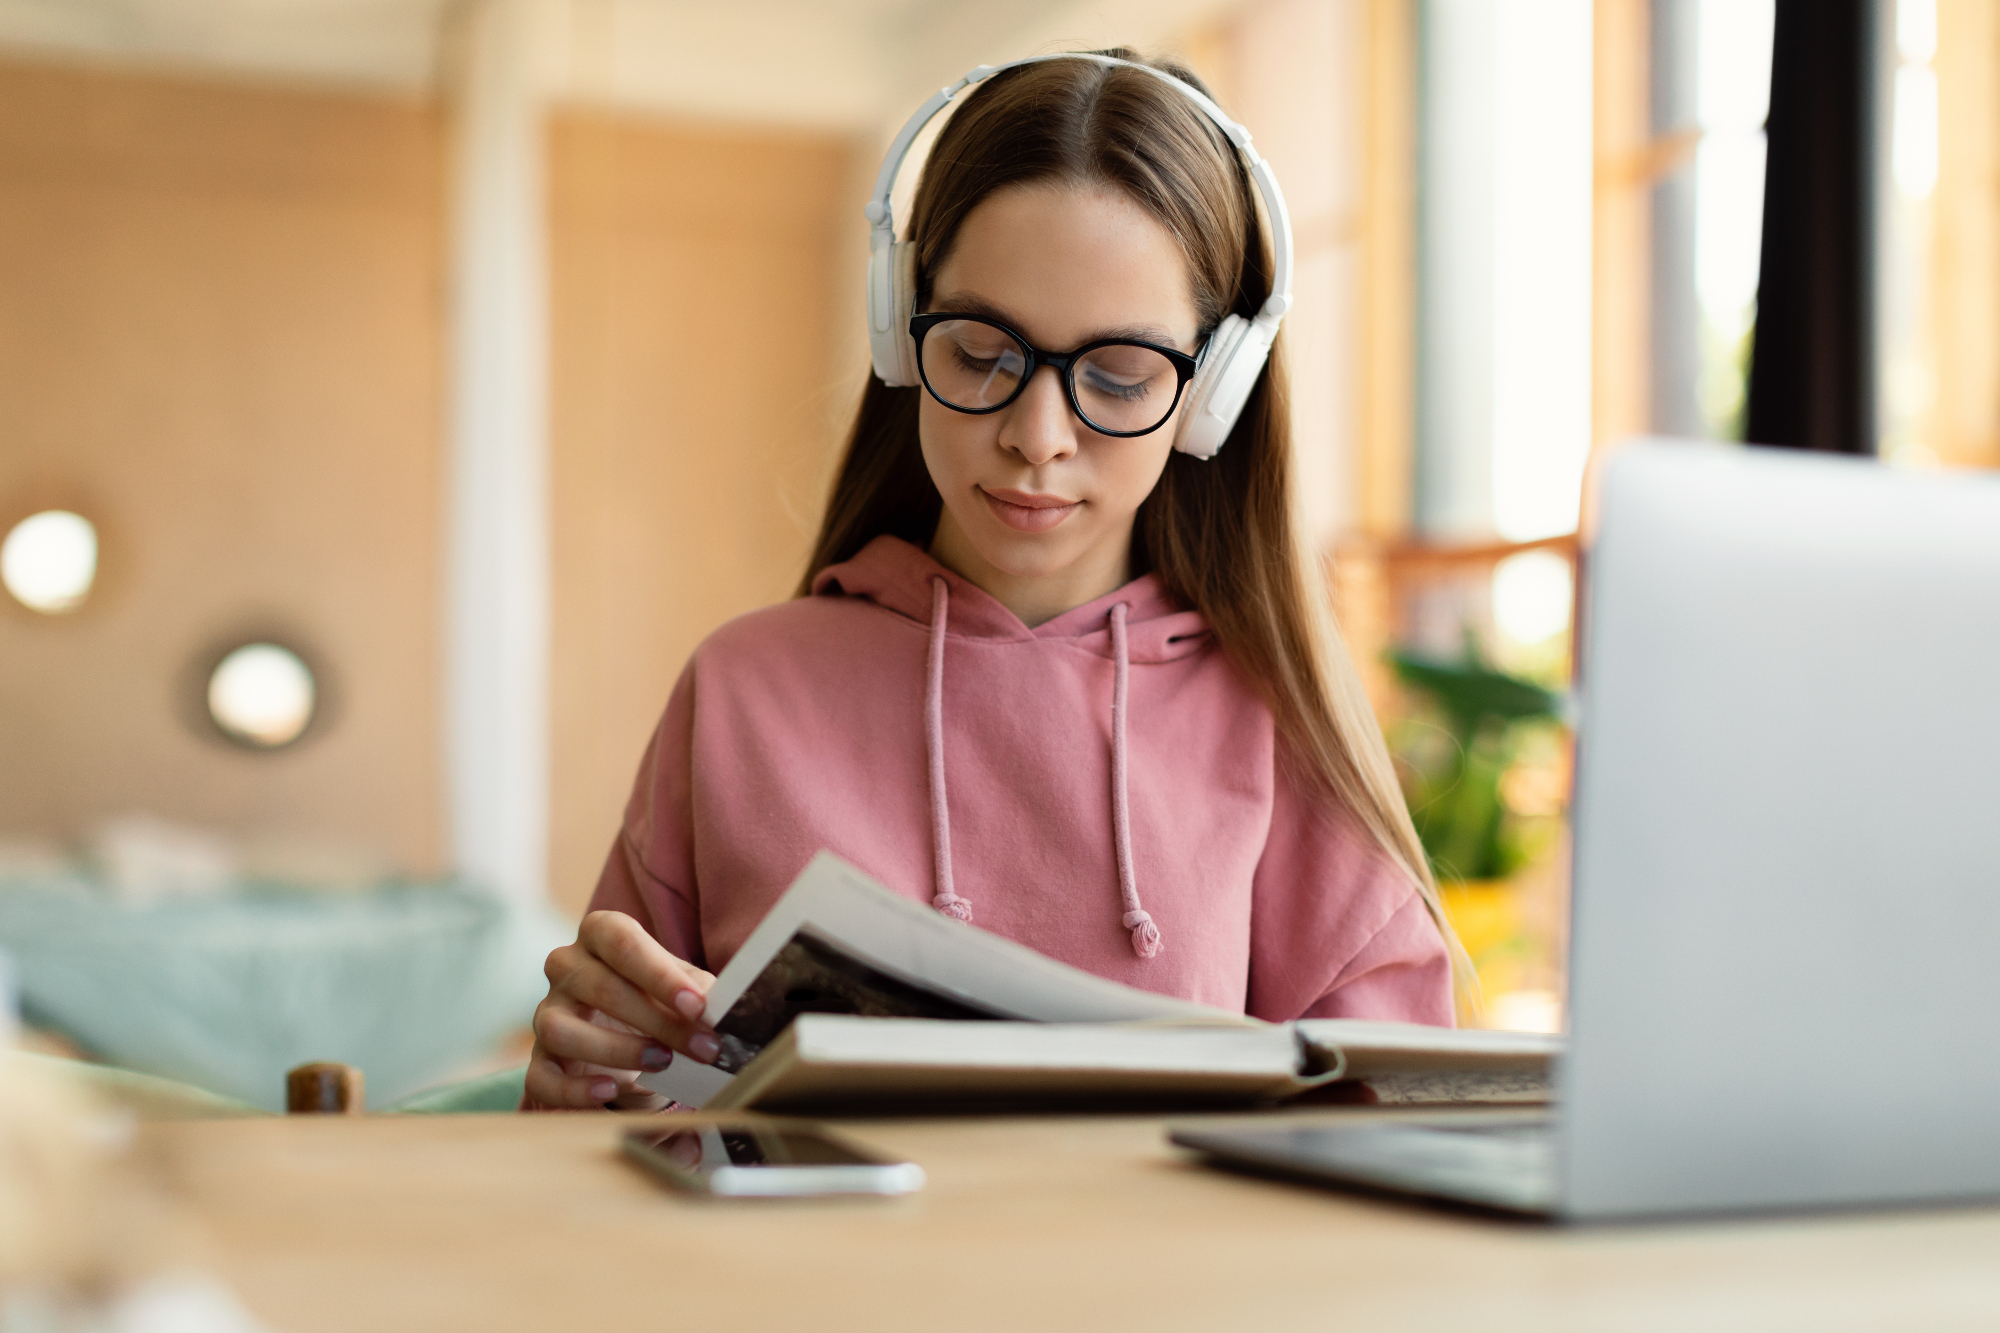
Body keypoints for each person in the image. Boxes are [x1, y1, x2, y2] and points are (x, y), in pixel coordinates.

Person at [525, 50, 1460, 1112]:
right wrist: (574, 1089)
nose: (1035, 437)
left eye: (1116, 375)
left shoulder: (1277, 726)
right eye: (978, 352)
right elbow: (612, 1141)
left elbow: (1403, 1158)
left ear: (1211, 396)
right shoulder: (743, 690)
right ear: (899, 330)